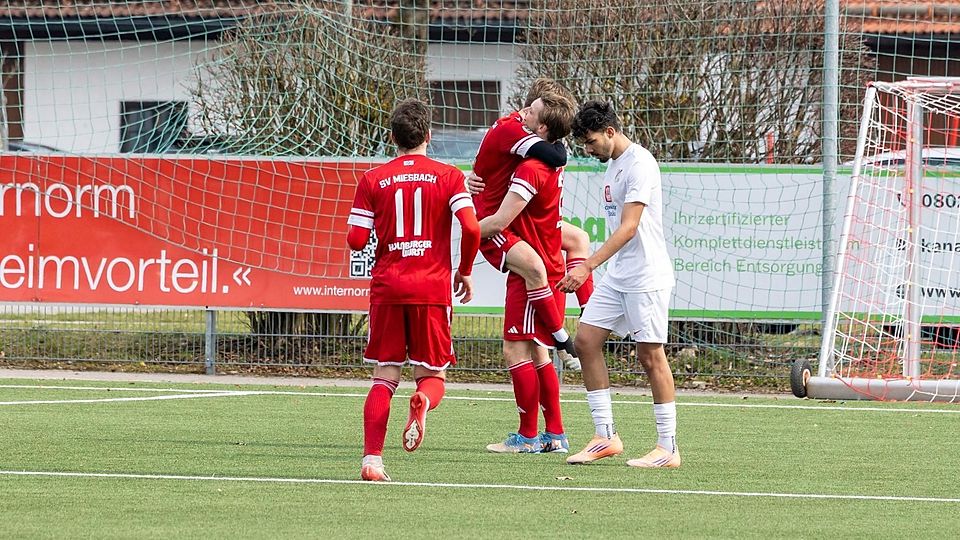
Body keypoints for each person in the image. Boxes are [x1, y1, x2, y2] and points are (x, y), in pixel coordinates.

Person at [347, 98, 481, 481]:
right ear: (429, 135)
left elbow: (356, 240)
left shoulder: (373, 179)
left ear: (393, 137)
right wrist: (465, 271)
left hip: (389, 287)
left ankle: (372, 460)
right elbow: (471, 228)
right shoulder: (450, 176)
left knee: (384, 377)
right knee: (432, 375)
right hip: (432, 288)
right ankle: (422, 402)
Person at [557, 100, 680, 468]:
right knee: (585, 340)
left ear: (610, 132)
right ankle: (606, 435)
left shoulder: (640, 164)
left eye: (591, 141)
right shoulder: (612, 167)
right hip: (620, 276)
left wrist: (586, 266)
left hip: (646, 277)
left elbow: (629, 228)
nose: (588, 150)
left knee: (650, 356)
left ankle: (668, 447)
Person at [468, 78, 593, 370]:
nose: (525, 112)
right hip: (492, 223)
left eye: (532, 110)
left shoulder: (528, 143)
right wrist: (464, 233)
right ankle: (563, 340)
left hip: (515, 219)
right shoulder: (514, 131)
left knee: (579, 240)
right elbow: (558, 154)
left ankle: (591, 316)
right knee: (535, 270)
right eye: (529, 109)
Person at [479, 92, 576, 454]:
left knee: (514, 350)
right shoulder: (551, 162)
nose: (522, 112)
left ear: (542, 127)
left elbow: (501, 221)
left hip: (534, 265)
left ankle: (527, 438)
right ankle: (556, 434)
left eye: (531, 111)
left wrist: (462, 225)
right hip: (550, 258)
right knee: (538, 353)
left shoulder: (530, 167)